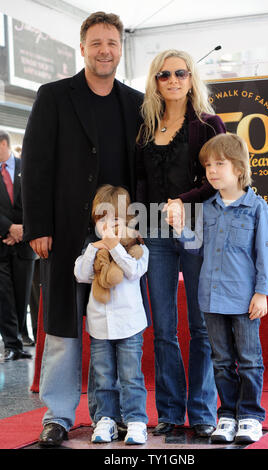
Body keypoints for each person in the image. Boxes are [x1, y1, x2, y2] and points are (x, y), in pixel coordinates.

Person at [21, 11, 144, 447]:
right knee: (62, 328)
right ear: (82, 48)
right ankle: (56, 415)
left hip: (119, 235)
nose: (104, 50)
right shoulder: (53, 95)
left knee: (117, 329)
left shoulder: (134, 102)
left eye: (111, 42)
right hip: (65, 233)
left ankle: (112, 414)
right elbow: (34, 165)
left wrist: (138, 231)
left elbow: (141, 171)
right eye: (96, 43)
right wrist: (37, 225)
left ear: (120, 49)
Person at [136, 49, 226, 437]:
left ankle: (203, 412)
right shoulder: (144, 127)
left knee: (202, 326)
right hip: (154, 235)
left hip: (197, 231)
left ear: (192, 79)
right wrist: (137, 223)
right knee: (163, 329)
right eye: (164, 74)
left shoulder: (208, 125)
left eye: (181, 73)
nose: (173, 80)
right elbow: (139, 180)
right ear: (155, 81)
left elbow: (219, 178)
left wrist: (183, 202)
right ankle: (171, 411)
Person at [166, 133, 268, 444]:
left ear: (239, 168)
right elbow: (195, 247)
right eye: (208, 165)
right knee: (222, 360)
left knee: (250, 358)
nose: (212, 171)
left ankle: (250, 416)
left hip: (244, 300)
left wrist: (261, 292)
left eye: (220, 164)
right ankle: (227, 415)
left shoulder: (257, 208)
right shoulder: (208, 208)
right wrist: (179, 230)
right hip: (211, 300)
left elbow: (264, 253)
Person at [74, 185, 149, 445]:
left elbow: (133, 271)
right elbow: (81, 275)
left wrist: (115, 246)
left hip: (129, 324)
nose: (107, 225)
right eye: (101, 219)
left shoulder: (138, 247)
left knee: (131, 376)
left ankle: (136, 421)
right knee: (103, 376)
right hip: (99, 327)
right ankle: (106, 419)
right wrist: (97, 248)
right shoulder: (91, 250)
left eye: (115, 219)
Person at [0, 130, 35, 361]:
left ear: (3, 143)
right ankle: (11, 344)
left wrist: (23, 230)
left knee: (22, 295)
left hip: (24, 243)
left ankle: (20, 337)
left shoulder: (28, 166)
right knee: (4, 296)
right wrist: (8, 228)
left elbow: (39, 199)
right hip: (1, 241)